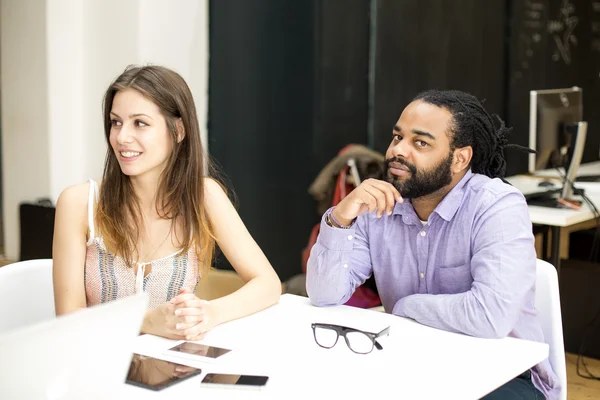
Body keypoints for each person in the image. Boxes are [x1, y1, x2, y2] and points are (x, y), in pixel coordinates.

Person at [306, 89, 558, 399]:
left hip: (503, 373)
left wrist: (405, 308)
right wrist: (340, 218)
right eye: (397, 137)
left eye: (420, 143)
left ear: (460, 158)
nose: (399, 151)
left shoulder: (497, 206)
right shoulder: (377, 207)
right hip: (412, 364)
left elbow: (490, 316)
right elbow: (324, 294)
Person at [53, 65, 281, 341]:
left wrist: (209, 313)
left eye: (140, 123)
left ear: (179, 130)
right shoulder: (78, 203)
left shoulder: (204, 197)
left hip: (172, 367)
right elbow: (68, 318)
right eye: (116, 122)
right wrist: (146, 322)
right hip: (94, 366)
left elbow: (268, 284)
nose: (122, 137)